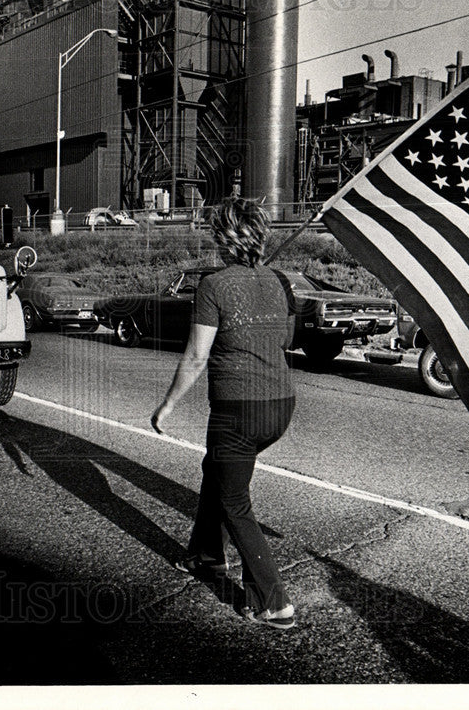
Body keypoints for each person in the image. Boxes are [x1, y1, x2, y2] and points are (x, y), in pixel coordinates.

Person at [151, 197, 297, 630]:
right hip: (280, 406)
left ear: (223, 238)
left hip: (238, 411)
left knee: (235, 502)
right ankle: (205, 555)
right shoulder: (279, 281)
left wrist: (168, 404)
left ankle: (273, 602)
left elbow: (197, 356)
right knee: (216, 468)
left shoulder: (214, 286)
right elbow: (284, 340)